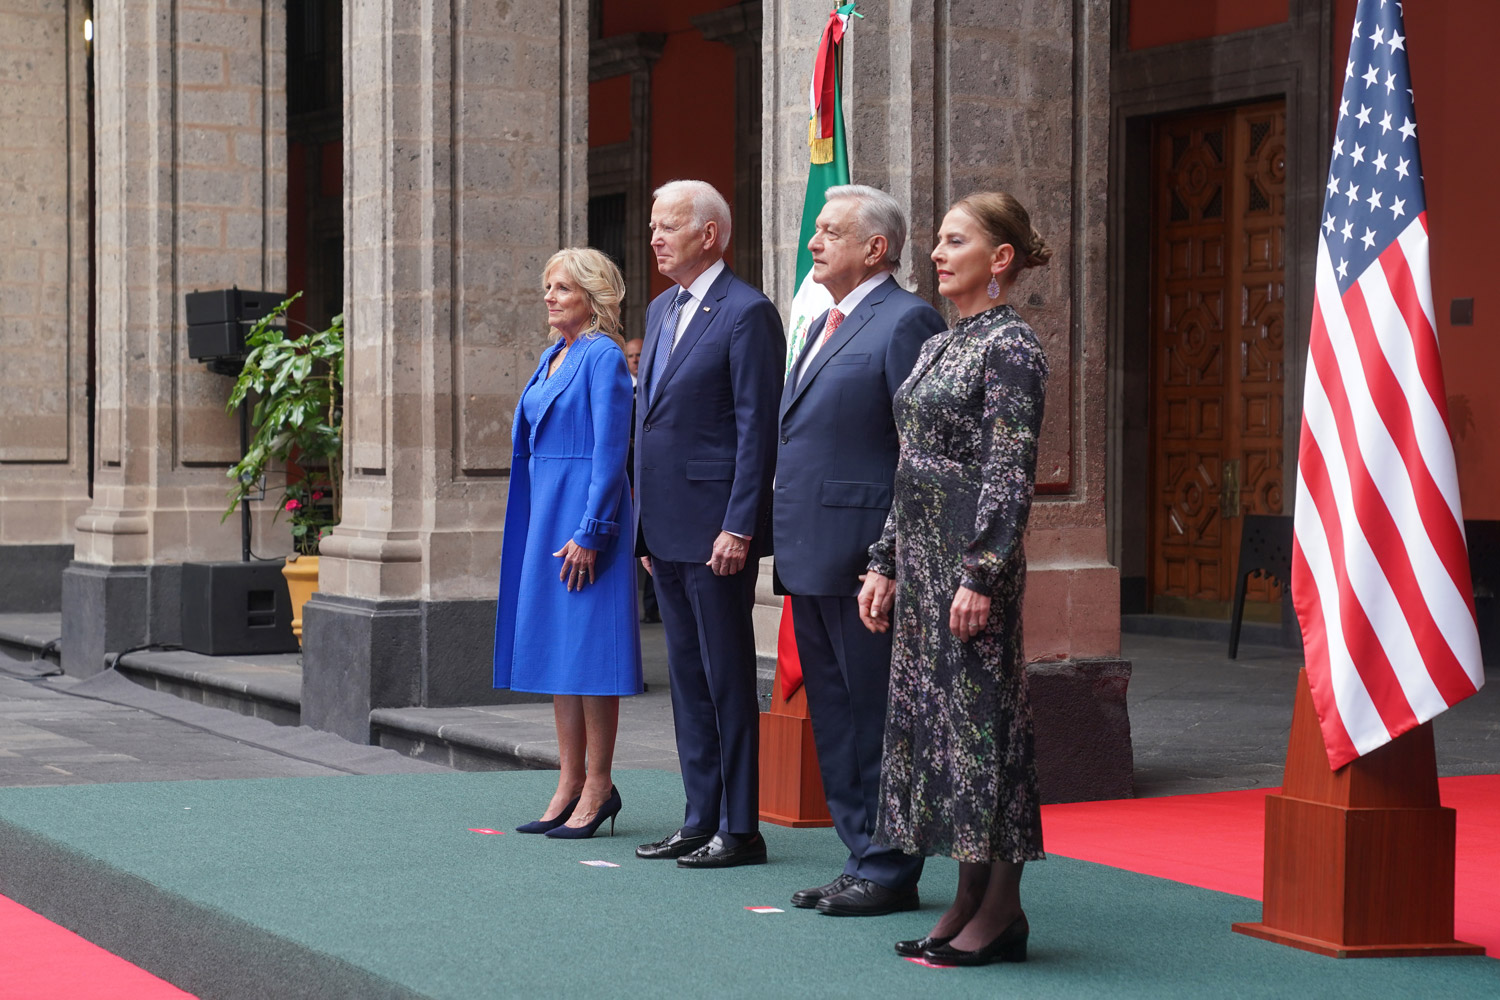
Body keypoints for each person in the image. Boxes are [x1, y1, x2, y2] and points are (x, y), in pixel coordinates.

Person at [857, 191, 1052, 966]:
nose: (937, 253)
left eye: (955, 240)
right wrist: (884, 561)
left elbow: (1010, 469)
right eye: (936, 240)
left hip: (974, 569)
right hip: (925, 563)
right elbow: (914, 467)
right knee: (938, 731)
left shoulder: (1014, 346)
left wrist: (983, 572)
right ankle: (967, 896)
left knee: (982, 732)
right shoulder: (942, 342)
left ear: (999, 259)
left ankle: (1002, 907)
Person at [772, 185, 945, 916]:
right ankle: (858, 856)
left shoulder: (906, 320)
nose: (814, 242)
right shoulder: (822, 323)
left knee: (877, 718)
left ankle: (891, 866)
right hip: (810, 551)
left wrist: (893, 558)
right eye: (815, 230)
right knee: (837, 721)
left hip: (865, 557)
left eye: (831, 231)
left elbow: (920, 450)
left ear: (876, 248)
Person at [633, 179, 785, 869]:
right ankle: (698, 817)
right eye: (654, 227)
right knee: (688, 680)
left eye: (669, 226)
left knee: (727, 679)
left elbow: (758, 430)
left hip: (717, 530)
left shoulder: (747, 312)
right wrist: (640, 528)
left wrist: (740, 524)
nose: (656, 238)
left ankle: (741, 827)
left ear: (711, 234)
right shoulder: (662, 307)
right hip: (663, 529)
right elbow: (651, 424)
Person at [493, 247, 642, 840]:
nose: (549, 296)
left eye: (562, 287)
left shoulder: (603, 356)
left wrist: (593, 531)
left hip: (584, 513)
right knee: (561, 652)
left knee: (591, 656)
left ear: (593, 295)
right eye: (547, 286)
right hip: (545, 509)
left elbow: (611, 452)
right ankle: (568, 781)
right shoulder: (553, 354)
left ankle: (600, 786)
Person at [623, 337, 660, 623]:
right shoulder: (621, 388)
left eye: (640, 355)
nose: (636, 360)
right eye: (631, 356)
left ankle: (655, 605)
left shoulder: (657, 382)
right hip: (628, 471)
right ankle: (647, 606)